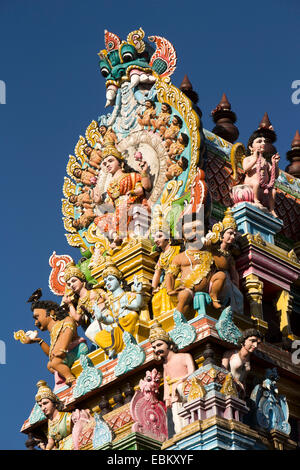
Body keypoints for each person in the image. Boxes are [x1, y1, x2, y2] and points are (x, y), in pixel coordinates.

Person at [165, 209, 243, 315]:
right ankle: (179, 323)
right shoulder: (180, 257)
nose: (194, 233)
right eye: (189, 230)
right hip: (188, 289)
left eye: (198, 228)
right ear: (183, 236)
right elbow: (170, 275)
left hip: (210, 288)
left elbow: (223, 266)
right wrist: (170, 290)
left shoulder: (209, 251)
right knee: (184, 296)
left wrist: (212, 250)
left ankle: (214, 297)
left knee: (221, 275)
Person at [19, 289, 88, 386]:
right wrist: (39, 341)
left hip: (77, 349)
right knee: (50, 364)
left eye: (37, 317)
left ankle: (71, 379)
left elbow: (67, 334)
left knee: (55, 362)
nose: (35, 323)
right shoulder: (53, 333)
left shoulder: (66, 321)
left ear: (51, 312)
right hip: (65, 354)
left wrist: (62, 349)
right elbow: (51, 353)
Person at [93, 143, 152, 245]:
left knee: (124, 205)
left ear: (121, 163)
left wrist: (133, 191)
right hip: (118, 213)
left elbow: (143, 189)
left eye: (110, 161)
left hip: (131, 204)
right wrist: (99, 202)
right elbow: (111, 206)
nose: (107, 165)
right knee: (99, 219)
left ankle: (126, 234)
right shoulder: (109, 187)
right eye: (105, 163)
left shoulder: (132, 176)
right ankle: (116, 236)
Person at [89, 259, 143, 359]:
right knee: (98, 336)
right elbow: (111, 319)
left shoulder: (127, 295)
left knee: (132, 315)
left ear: (119, 280)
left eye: (110, 279)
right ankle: (113, 347)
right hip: (116, 326)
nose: (107, 283)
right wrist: (101, 318)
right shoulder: (110, 304)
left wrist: (138, 292)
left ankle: (116, 344)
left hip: (127, 323)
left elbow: (137, 305)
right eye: (105, 282)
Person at [149, 321, 195, 436]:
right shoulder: (165, 365)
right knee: (178, 422)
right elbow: (166, 381)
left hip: (186, 391)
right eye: (154, 347)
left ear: (169, 345)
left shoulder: (185, 356)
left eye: (159, 345)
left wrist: (180, 383)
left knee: (189, 418)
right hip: (173, 397)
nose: (156, 349)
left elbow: (192, 373)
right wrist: (166, 397)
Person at [35, 380, 93, 450]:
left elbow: (79, 427)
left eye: (45, 403)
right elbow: (51, 442)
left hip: (73, 445)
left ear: (55, 404)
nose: (43, 408)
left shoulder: (68, 417)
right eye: (40, 406)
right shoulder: (50, 423)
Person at [242, 132, 280, 217]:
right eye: (259, 141)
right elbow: (245, 169)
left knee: (273, 190)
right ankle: (256, 200)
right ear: (251, 147)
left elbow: (275, 175)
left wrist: (275, 164)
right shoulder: (248, 158)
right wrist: (255, 160)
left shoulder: (265, 161)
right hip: (251, 183)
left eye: (264, 141)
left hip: (264, 187)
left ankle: (272, 209)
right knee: (256, 182)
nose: (263, 143)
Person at [62, 262, 106, 330]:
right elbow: (77, 318)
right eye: (69, 284)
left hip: (106, 314)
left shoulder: (96, 290)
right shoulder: (80, 302)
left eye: (74, 281)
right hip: (97, 321)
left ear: (82, 281)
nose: (72, 285)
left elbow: (108, 298)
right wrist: (69, 304)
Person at [222, 328, 263, 397]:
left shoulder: (248, 359)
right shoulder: (230, 354)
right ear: (244, 341)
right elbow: (222, 371)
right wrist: (236, 381)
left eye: (258, 343)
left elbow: (243, 379)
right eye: (252, 341)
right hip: (227, 389)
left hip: (239, 393)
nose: (255, 345)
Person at [151, 226, 181, 318]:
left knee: (171, 291)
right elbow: (157, 273)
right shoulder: (161, 256)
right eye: (154, 238)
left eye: (159, 236)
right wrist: (153, 288)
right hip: (165, 282)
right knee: (156, 299)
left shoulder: (178, 249)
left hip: (179, 277)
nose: (156, 240)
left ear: (168, 237)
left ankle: (177, 315)